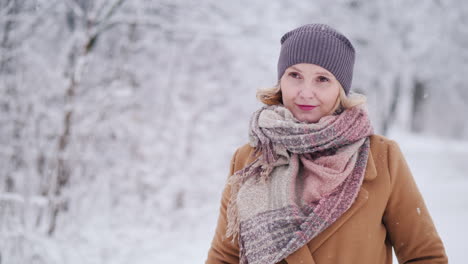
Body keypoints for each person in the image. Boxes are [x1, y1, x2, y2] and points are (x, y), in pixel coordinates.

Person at [205, 24, 447, 264]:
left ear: (340, 89)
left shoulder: (381, 156)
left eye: (322, 79)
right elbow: (224, 258)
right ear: (281, 80)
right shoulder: (251, 158)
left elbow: (424, 256)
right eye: (295, 76)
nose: (306, 92)